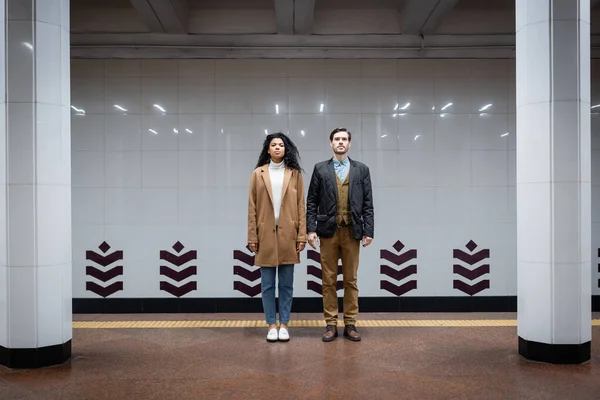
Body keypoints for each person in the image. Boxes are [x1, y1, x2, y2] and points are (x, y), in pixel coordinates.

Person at [306, 127, 374, 342]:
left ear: (349, 143)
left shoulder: (361, 170)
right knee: (328, 280)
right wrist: (310, 229)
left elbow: (368, 204)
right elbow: (311, 202)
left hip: (353, 231)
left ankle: (351, 323)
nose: (341, 142)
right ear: (331, 143)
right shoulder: (320, 169)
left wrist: (368, 231)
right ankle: (331, 324)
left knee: (351, 280)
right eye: (337, 139)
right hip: (327, 232)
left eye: (344, 139)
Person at [248, 132, 307, 342]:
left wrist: (302, 235)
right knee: (266, 285)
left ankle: (284, 324)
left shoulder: (295, 174)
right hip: (264, 235)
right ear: (267, 149)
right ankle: (271, 324)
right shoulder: (258, 174)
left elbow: (301, 206)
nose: (277, 148)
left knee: (286, 284)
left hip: (288, 235)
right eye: (273, 145)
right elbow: (252, 208)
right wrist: (252, 236)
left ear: (286, 149)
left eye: (281, 145)